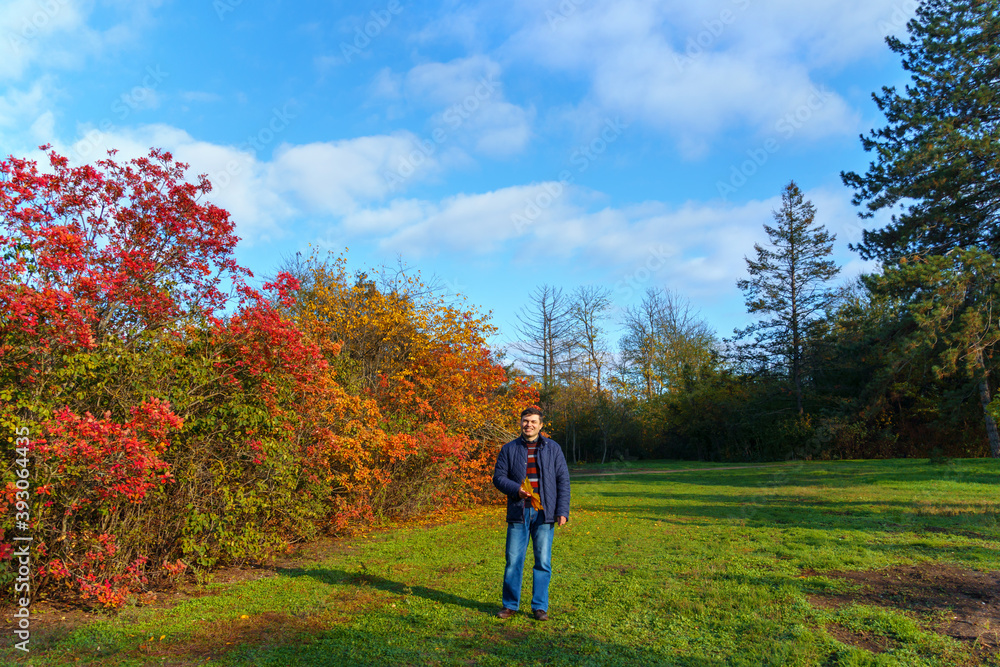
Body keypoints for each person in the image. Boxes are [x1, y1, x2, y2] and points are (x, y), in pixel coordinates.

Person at [492, 406, 570, 621]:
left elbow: (563, 480)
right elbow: (498, 477)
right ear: (521, 423)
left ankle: (539, 607)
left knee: (543, 561)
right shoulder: (509, 449)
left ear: (541, 425)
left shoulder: (553, 448)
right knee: (513, 560)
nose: (529, 425)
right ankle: (509, 605)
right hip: (518, 512)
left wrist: (562, 510)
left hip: (545, 514)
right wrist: (516, 489)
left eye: (533, 421)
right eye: (526, 421)